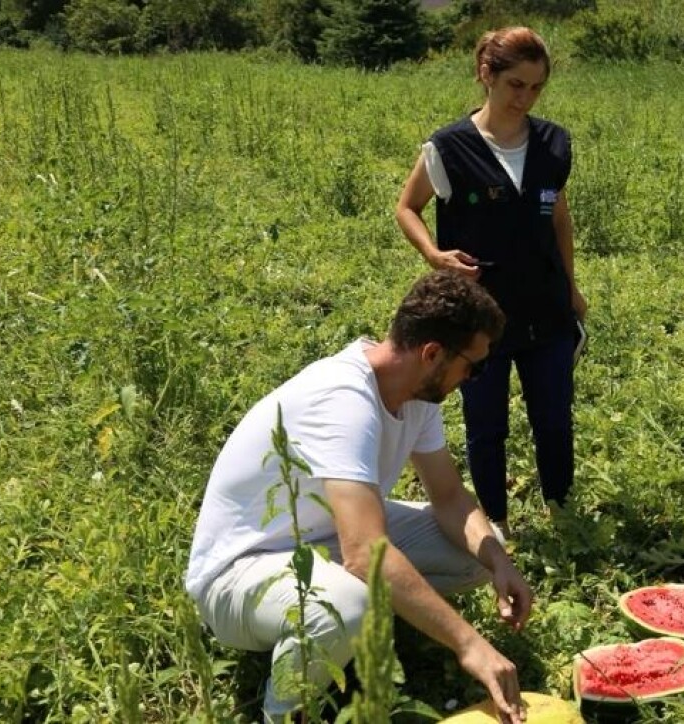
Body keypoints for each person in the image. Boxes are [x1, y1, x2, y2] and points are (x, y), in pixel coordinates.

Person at [185, 271, 533, 724]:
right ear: (432, 353)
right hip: (238, 573)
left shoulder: (416, 396)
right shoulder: (344, 402)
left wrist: (500, 564)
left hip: (326, 536)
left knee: (480, 553)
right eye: (473, 365)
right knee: (349, 605)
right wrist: (470, 644)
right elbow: (366, 554)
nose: (471, 378)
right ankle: (286, 711)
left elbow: (448, 496)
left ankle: (359, 621)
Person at [396, 26, 585, 535]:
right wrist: (434, 254)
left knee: (553, 418)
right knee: (487, 427)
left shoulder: (553, 144)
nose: (525, 98)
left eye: (536, 87)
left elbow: (558, 218)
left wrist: (571, 287)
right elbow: (407, 207)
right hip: (479, 313)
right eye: (515, 85)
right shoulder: (448, 148)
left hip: (545, 306)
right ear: (487, 75)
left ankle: (562, 513)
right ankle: (494, 524)